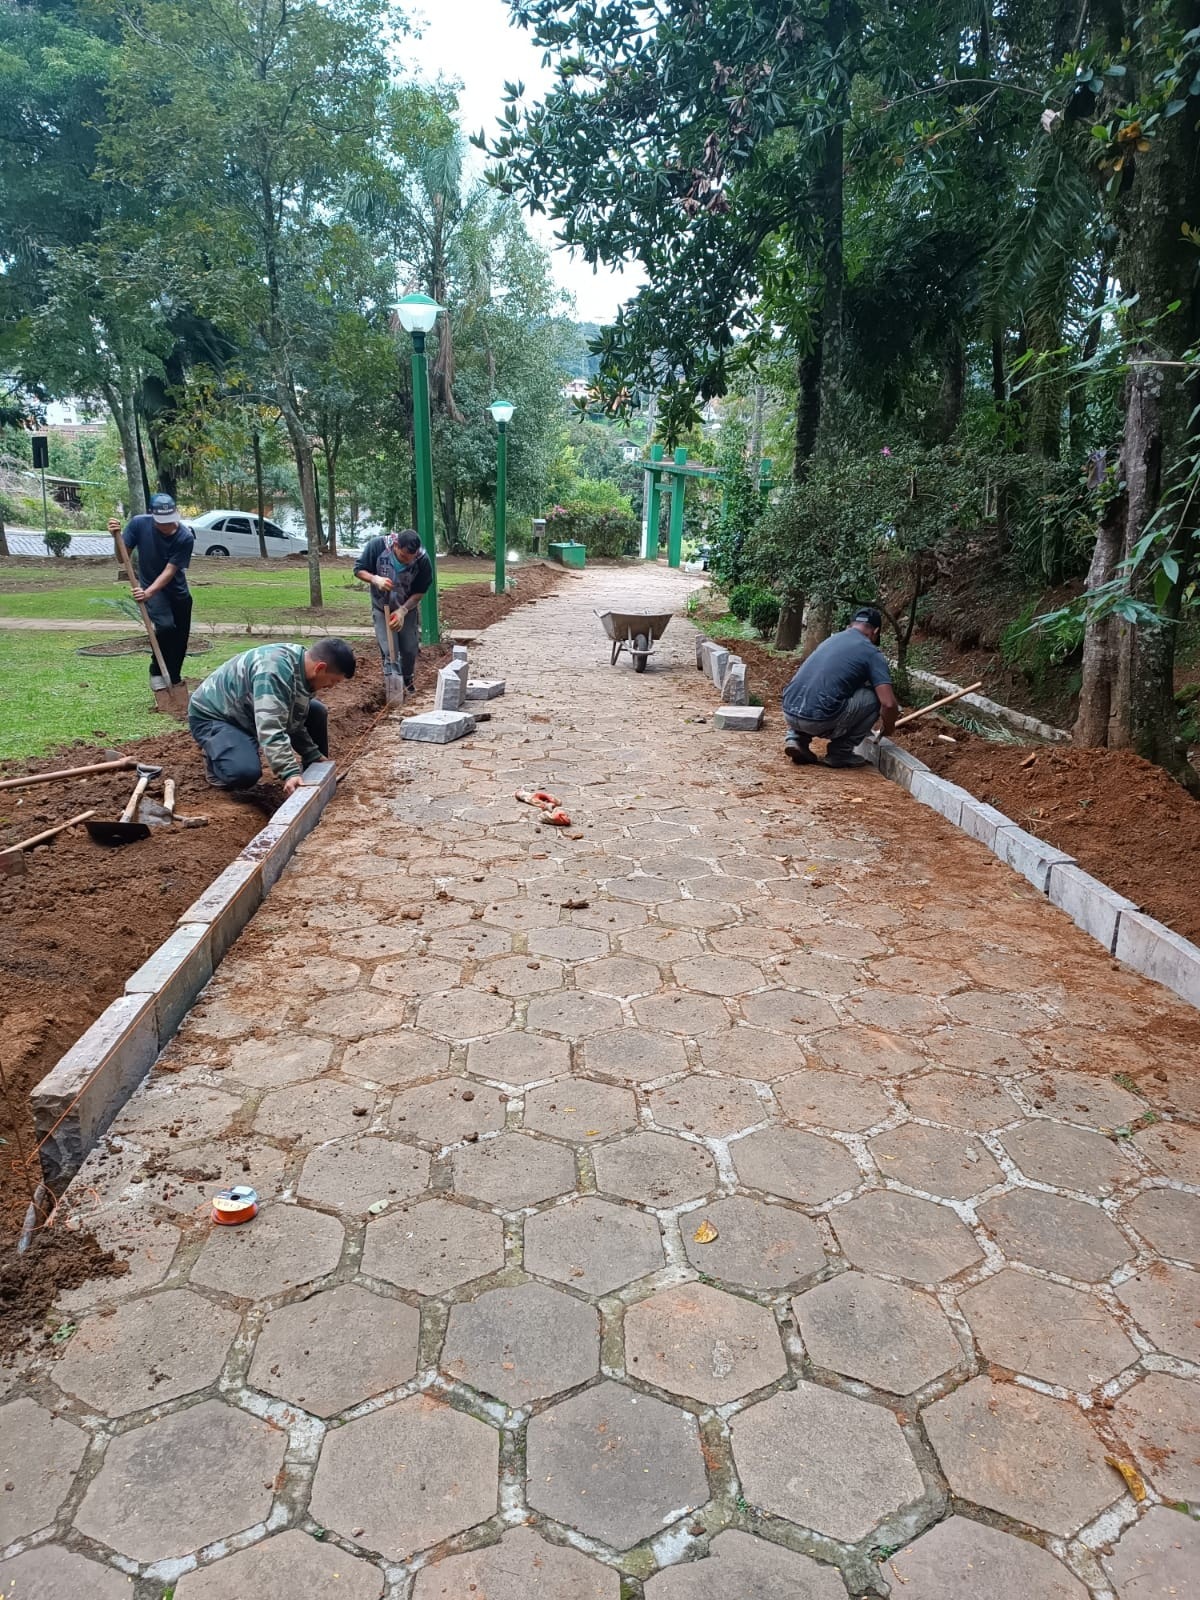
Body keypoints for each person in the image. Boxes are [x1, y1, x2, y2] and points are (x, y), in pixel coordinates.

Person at [188, 638, 357, 793]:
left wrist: (313, 755)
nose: (331, 686)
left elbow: (293, 720)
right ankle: (215, 756)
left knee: (316, 711)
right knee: (244, 773)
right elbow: (271, 726)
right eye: (333, 681)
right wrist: (289, 772)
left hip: (248, 710)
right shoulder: (274, 671)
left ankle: (312, 772)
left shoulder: (303, 667)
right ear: (320, 668)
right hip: (215, 716)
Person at [781, 607, 899, 768]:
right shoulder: (871, 652)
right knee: (874, 698)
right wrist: (889, 727)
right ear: (876, 631)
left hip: (789, 711)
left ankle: (796, 739)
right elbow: (889, 704)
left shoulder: (831, 640)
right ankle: (840, 753)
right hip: (819, 720)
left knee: (819, 688)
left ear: (850, 626)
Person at [108, 493, 194, 689]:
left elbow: (170, 570)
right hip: (151, 589)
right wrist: (116, 537)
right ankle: (156, 672)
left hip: (178, 592)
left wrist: (149, 592)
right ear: (153, 517)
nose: (168, 526)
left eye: (171, 521)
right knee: (164, 628)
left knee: (180, 640)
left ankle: (173, 679)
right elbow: (122, 559)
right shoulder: (139, 524)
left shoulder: (185, 536)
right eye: (163, 522)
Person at [354, 528, 432, 695]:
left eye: (410, 559)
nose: (406, 562)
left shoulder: (422, 559)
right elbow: (359, 569)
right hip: (382, 607)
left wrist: (403, 611)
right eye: (403, 557)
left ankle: (408, 680)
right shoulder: (376, 546)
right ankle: (393, 689)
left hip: (406, 608)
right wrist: (375, 579)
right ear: (396, 545)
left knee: (410, 648)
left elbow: (420, 591)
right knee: (390, 650)